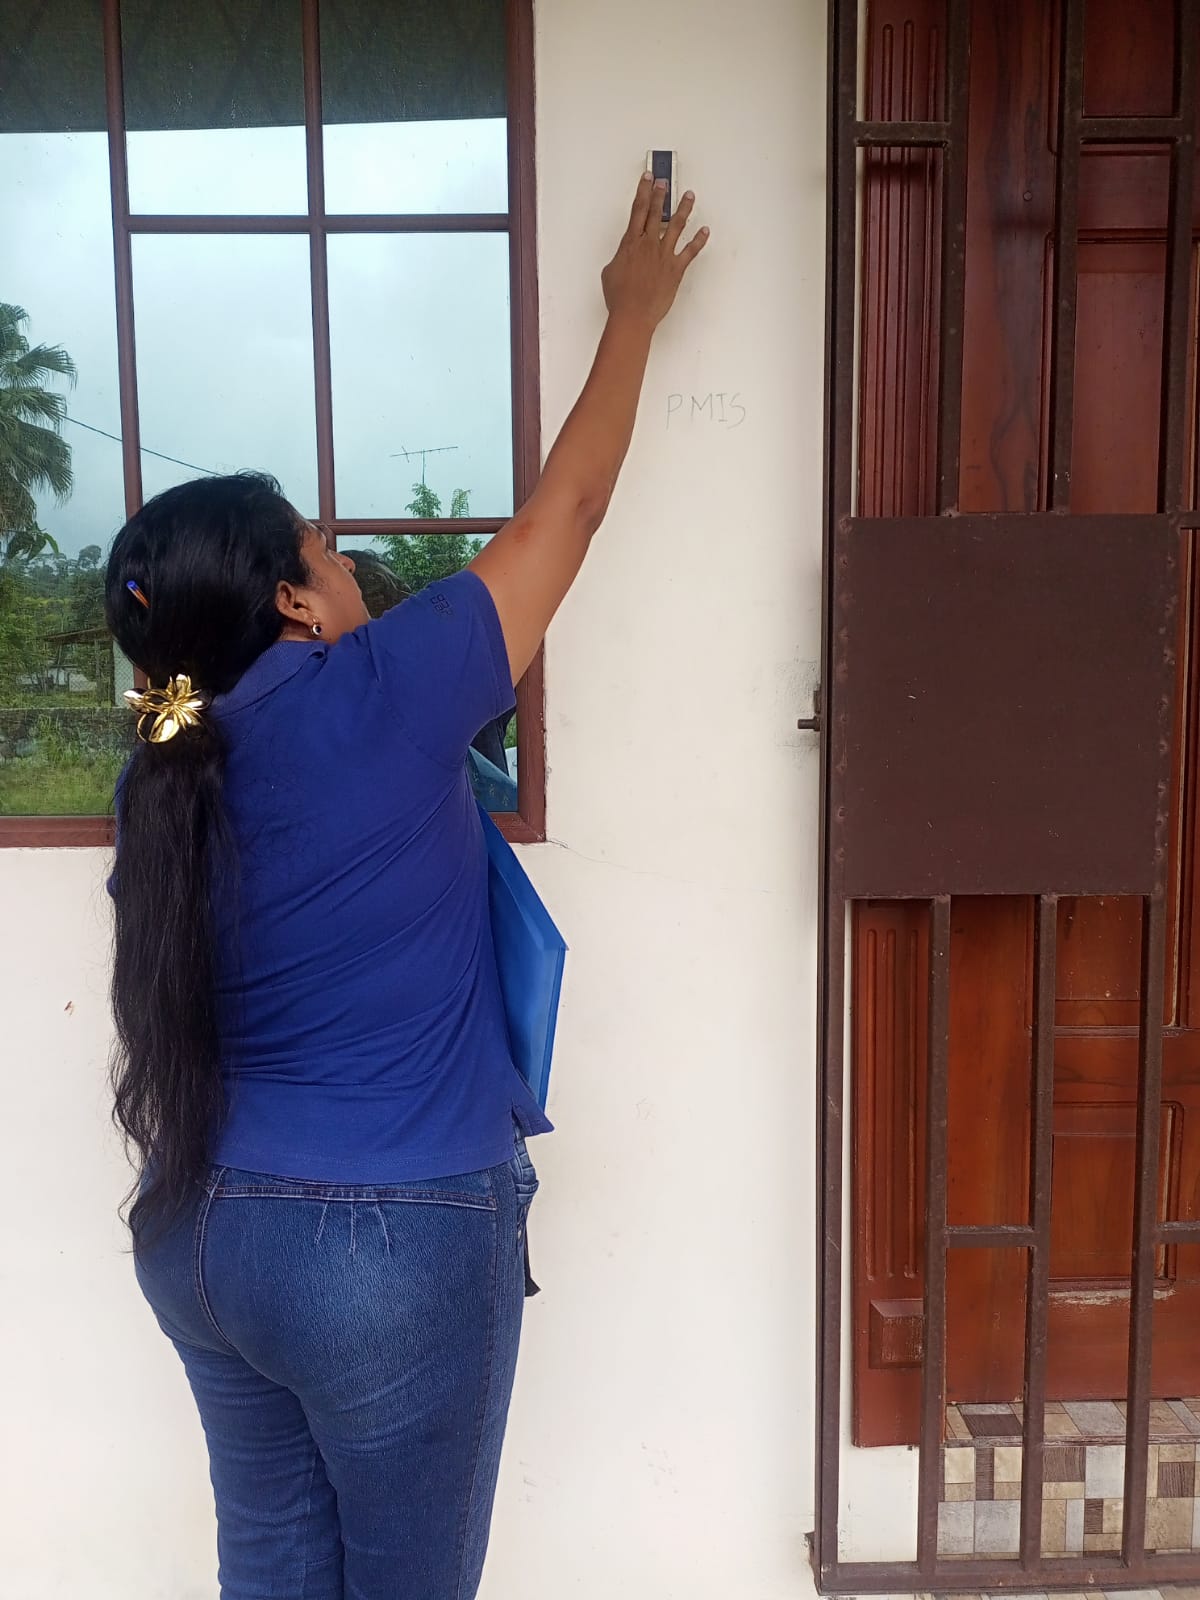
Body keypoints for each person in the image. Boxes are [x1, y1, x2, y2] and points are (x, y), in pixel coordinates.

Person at [105, 175, 708, 1600]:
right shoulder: (383, 691)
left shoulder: (160, 778)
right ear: (293, 603)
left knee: (273, 1569)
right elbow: (572, 507)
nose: (347, 558)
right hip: (387, 1239)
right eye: (324, 547)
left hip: (200, 1241)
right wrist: (632, 316)